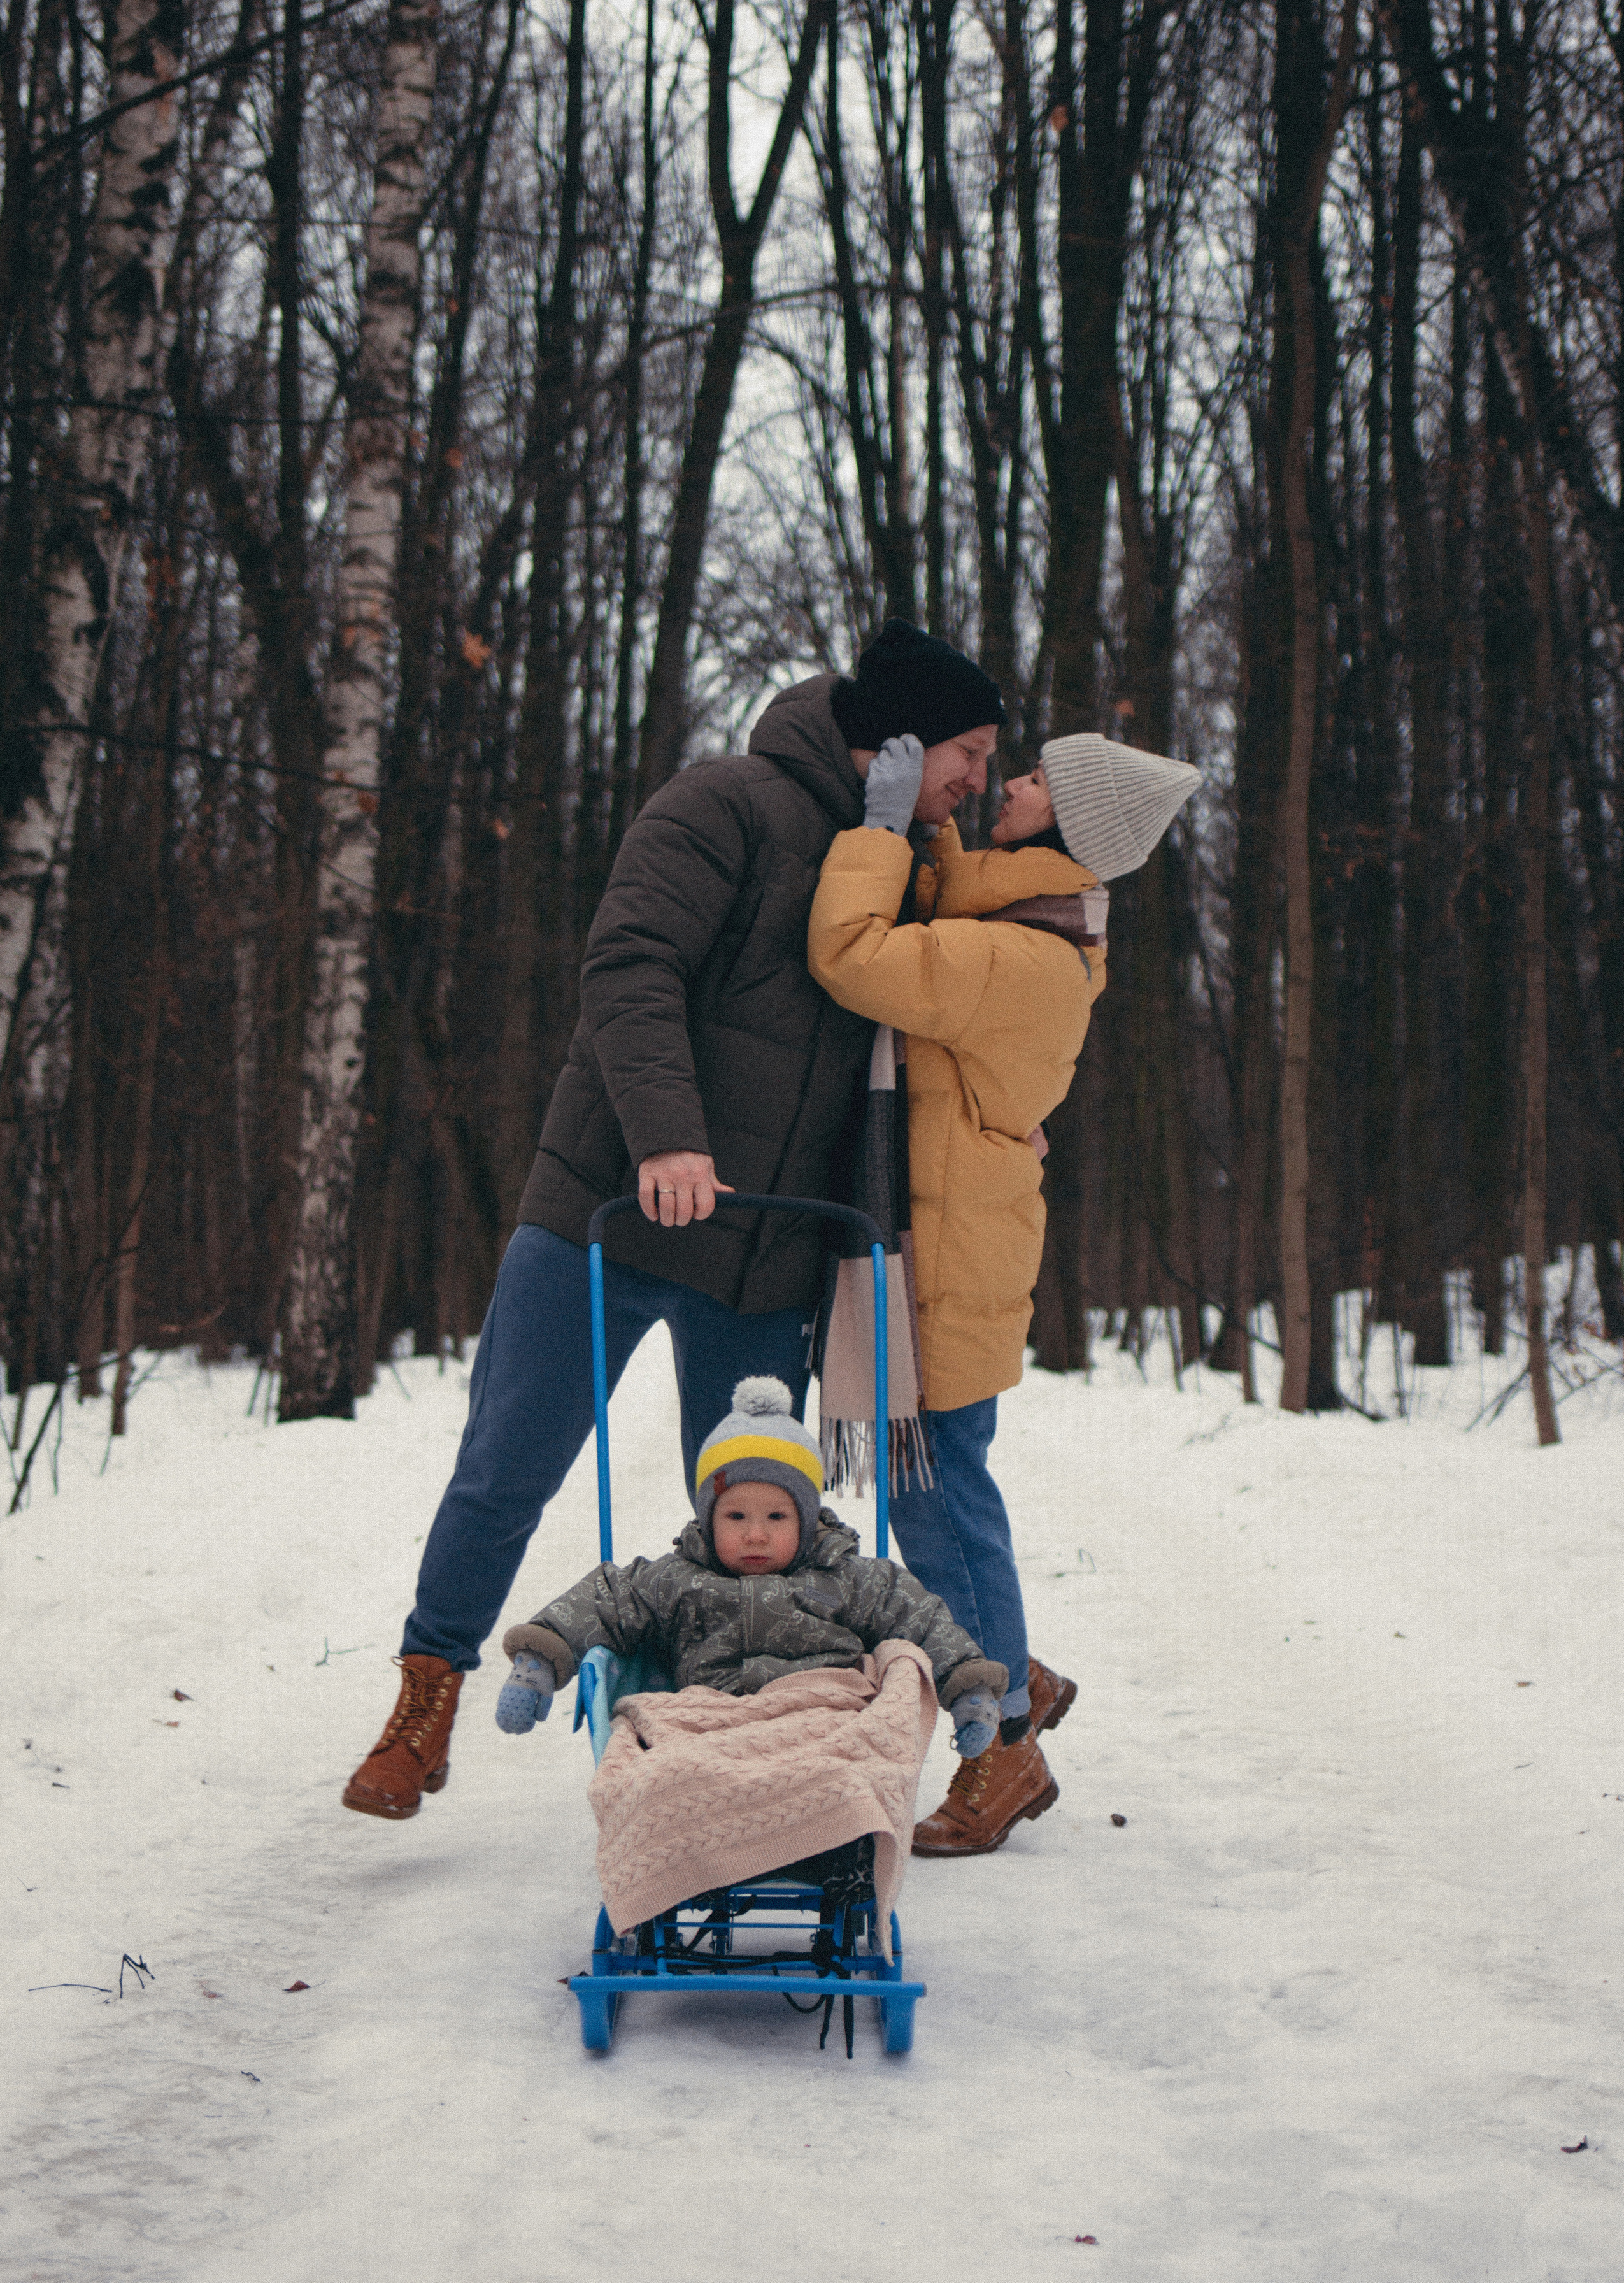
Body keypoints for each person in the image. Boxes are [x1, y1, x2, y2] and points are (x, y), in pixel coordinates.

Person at [343, 620, 1008, 1820]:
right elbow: (630, 964)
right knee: (507, 1464)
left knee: (764, 1523)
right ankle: (427, 1690)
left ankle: (737, 1748)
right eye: (966, 750)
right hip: (615, 1207)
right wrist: (664, 1135)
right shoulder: (723, 804)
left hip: (764, 1247)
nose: (974, 781)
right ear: (895, 741)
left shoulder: (906, 865)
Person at [807, 725, 1199, 1855]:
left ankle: (1004, 1745)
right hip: (942, 1234)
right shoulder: (1014, 919)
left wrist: (886, 831)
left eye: (1033, 781)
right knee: (934, 1483)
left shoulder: (1021, 956)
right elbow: (932, 915)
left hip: (950, 1256)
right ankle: (1004, 1660)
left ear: (1069, 823)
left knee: (941, 1491)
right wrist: (920, 833)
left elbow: (855, 954)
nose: (1010, 784)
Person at [494, 1375, 1006, 1754]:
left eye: (778, 1516)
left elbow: (921, 1617)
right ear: (708, 1518)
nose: (755, 1533)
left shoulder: (846, 1576)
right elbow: (602, 1600)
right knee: (652, 1752)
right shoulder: (677, 1578)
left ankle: (840, 1835)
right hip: (711, 1725)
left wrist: (968, 1686)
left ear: (807, 1521)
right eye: (735, 1515)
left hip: (825, 1719)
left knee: (861, 1749)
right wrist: (539, 1660)